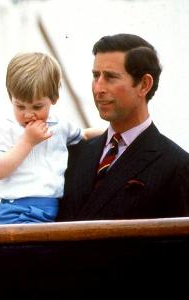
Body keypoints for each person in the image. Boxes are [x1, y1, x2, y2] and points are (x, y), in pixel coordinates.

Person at [57, 33, 189, 221]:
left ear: (144, 85)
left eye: (110, 77)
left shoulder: (176, 166)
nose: (98, 88)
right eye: (96, 76)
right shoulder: (73, 154)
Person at [0, 52, 102, 225]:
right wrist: (27, 141)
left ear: (54, 98)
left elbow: (83, 134)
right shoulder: (6, 128)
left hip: (53, 210)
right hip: (17, 211)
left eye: (37, 106)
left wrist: (114, 131)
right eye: (20, 106)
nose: (28, 114)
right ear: (10, 96)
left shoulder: (60, 125)